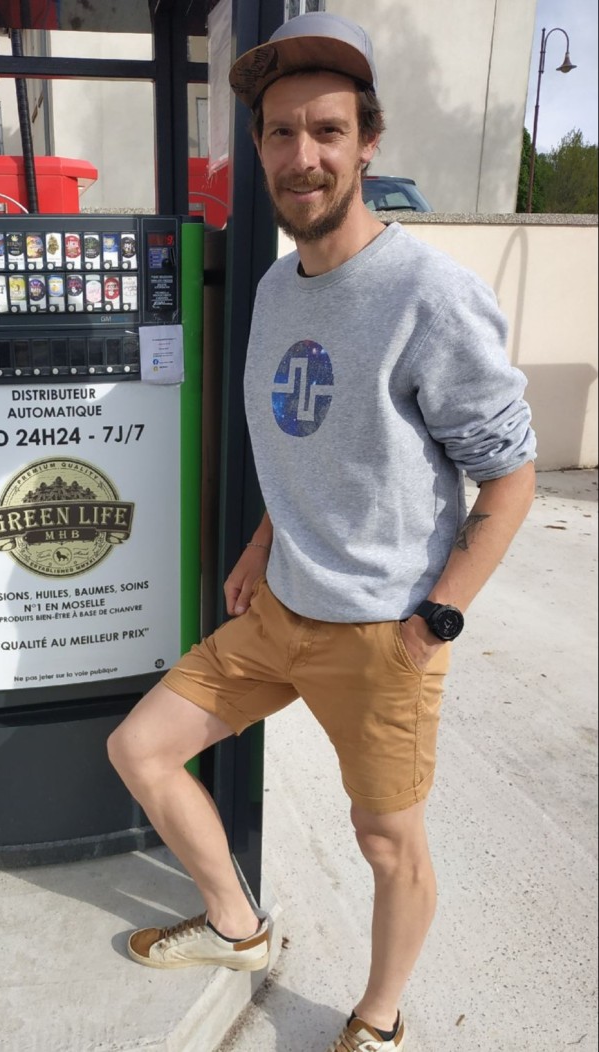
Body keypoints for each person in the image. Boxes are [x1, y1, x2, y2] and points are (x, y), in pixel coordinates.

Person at [107, 11, 536, 1052]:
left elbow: (510, 478)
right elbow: (305, 441)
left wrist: (436, 617)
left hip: (383, 634)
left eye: (327, 130)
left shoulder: (430, 296)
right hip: (280, 611)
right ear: (257, 150)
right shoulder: (273, 286)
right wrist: (263, 544)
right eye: (280, 132)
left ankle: (376, 1021)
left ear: (367, 142)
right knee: (141, 747)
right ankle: (237, 926)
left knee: (386, 843)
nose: (303, 155)